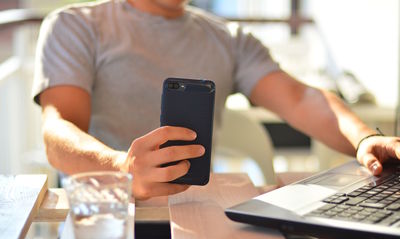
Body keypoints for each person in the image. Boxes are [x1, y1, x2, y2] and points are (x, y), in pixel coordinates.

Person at [33, 0, 400, 200]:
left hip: (196, 212)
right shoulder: (75, 26)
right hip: (105, 218)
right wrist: (122, 169)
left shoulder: (230, 38)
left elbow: (301, 98)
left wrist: (366, 138)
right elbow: (57, 130)